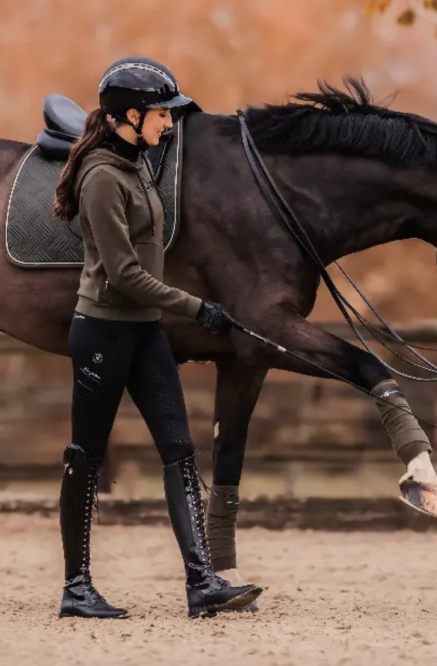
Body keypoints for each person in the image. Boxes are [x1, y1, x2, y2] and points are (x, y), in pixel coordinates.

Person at [52, 57, 263, 619]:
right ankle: (77, 588)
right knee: (87, 458)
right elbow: (123, 275)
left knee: (179, 450)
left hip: (145, 334)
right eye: (161, 115)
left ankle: (201, 582)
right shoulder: (101, 176)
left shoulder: (138, 164)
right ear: (128, 116)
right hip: (102, 333)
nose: (169, 125)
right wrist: (198, 309)